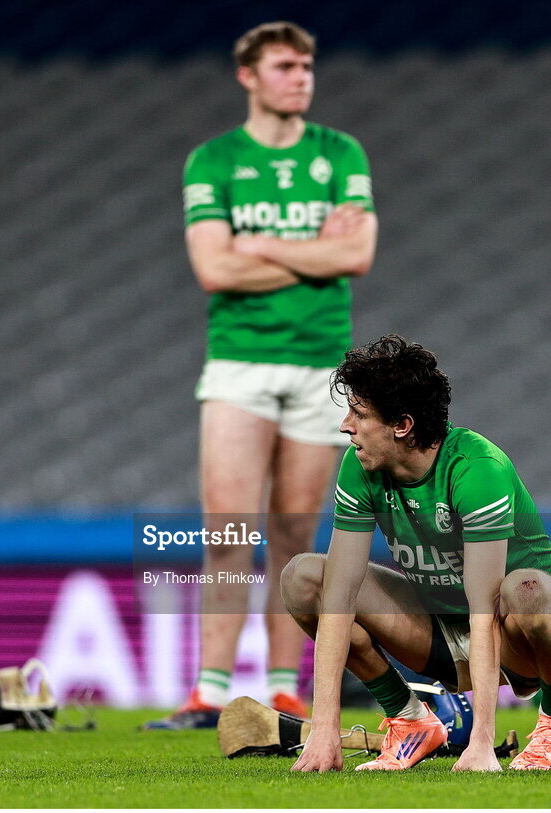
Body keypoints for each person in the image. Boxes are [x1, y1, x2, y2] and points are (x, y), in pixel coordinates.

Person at [143, 21, 379, 729]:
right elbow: (213, 267)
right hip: (239, 364)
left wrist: (261, 244)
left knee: (294, 535)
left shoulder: (340, 152)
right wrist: (314, 249)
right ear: (247, 75)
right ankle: (209, 692)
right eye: (284, 65)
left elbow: (358, 253)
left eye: (306, 64)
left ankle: (283, 688)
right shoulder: (213, 160)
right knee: (227, 531)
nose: (301, 76)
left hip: (319, 368)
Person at [283, 335, 551, 771]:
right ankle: (409, 721)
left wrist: (481, 744)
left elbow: (484, 611)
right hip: (443, 632)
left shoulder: (477, 468)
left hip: (523, 632)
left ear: (402, 425)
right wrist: (324, 728)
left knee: (527, 590)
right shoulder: (360, 466)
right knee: (304, 578)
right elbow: (338, 599)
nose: (345, 425)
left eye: (360, 414)